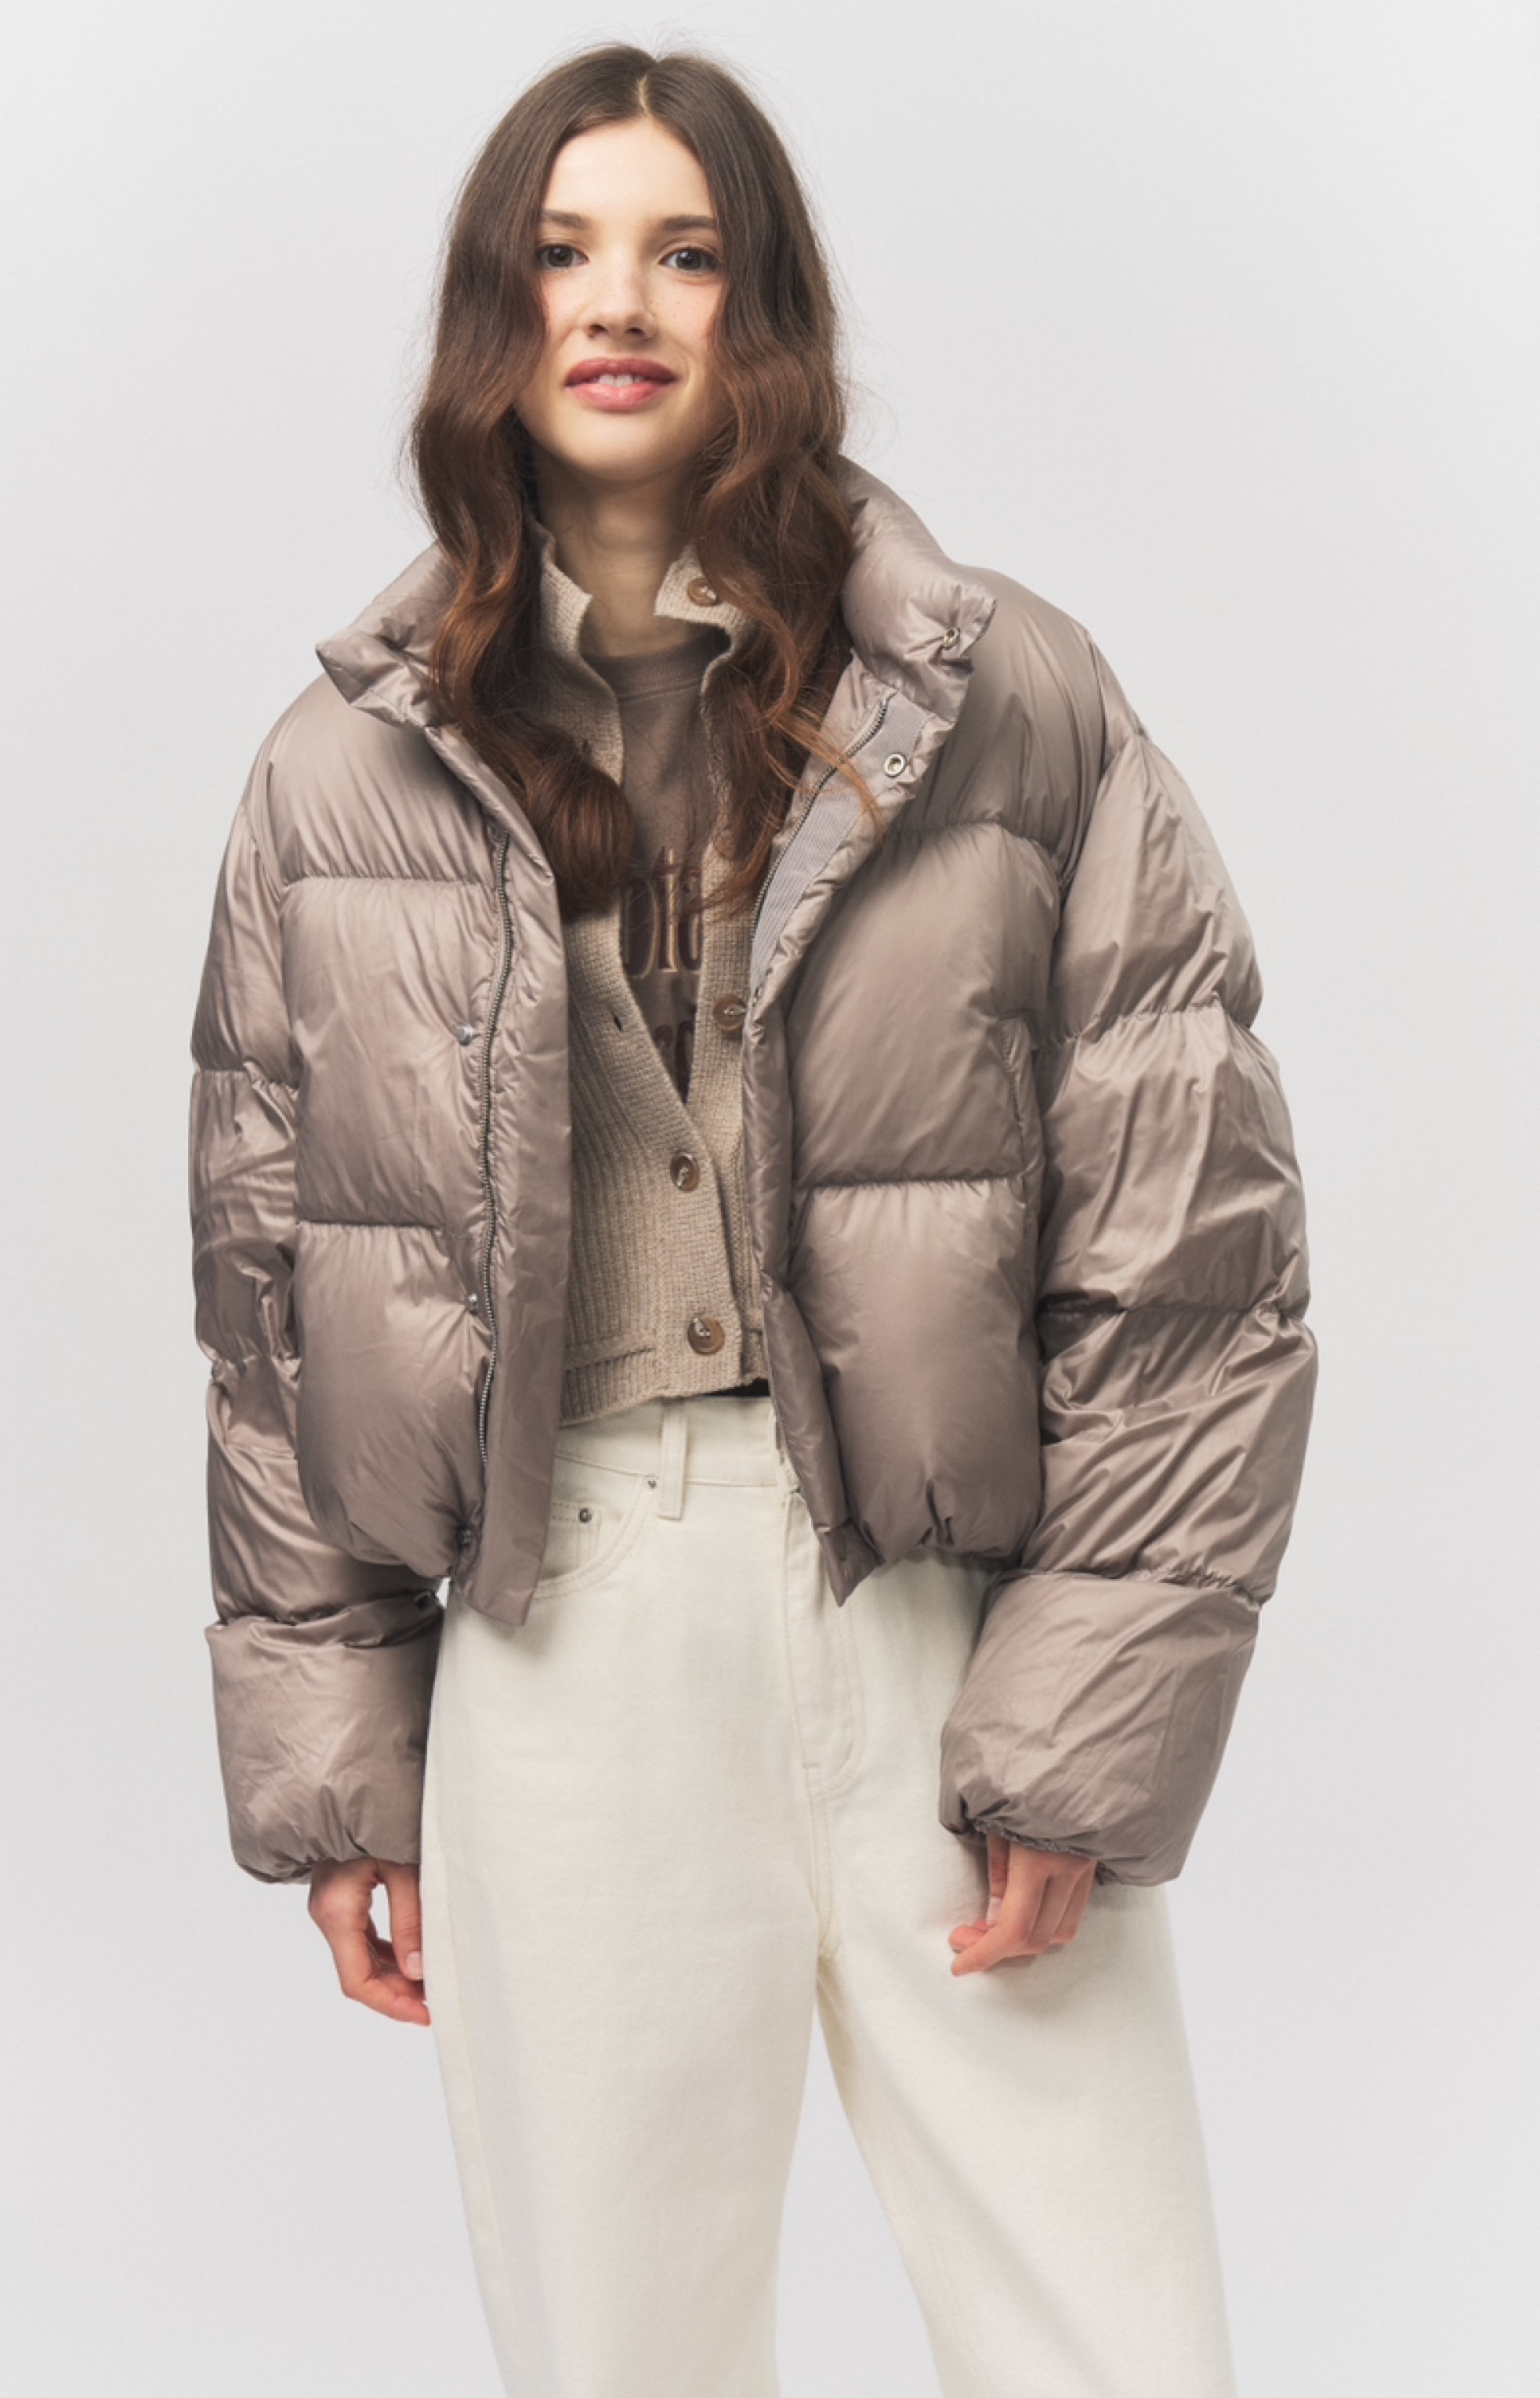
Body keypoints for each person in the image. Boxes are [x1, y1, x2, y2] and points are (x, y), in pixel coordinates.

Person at [187, 41, 1317, 2398]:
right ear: (492, 316)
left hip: (931, 1614)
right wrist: (344, 1762)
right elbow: (277, 1306)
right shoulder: (334, 779)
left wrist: (1081, 1726)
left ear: (764, 310)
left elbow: (1190, 1253)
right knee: (623, 2358)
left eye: (684, 252)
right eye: (561, 252)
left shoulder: (1006, 699)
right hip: (564, 1633)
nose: (618, 303)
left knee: (1115, 2340)